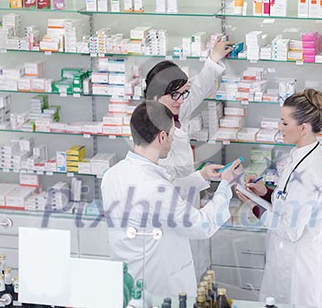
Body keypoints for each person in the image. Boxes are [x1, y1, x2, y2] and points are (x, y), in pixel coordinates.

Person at [101, 100, 242, 297]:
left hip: (128, 281)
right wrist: (225, 187)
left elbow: (160, 200)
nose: (172, 141)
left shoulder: (113, 174)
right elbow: (202, 225)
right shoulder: (155, 187)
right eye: (172, 136)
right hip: (159, 286)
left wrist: (201, 177)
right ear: (162, 136)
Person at [236, 88, 322, 308]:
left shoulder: (311, 168)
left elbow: (290, 229)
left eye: (284, 123)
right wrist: (265, 193)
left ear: (303, 128)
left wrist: (253, 205)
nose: (279, 128)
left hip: (299, 266)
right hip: (286, 258)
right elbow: (290, 200)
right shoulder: (300, 153)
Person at [144, 39, 233, 278]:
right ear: (154, 97)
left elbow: (198, 92)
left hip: (187, 210)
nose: (180, 100)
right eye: (174, 94)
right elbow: (166, 188)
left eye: (182, 93)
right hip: (170, 221)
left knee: (193, 277)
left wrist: (213, 60)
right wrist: (200, 178)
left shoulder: (171, 111)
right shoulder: (151, 132)